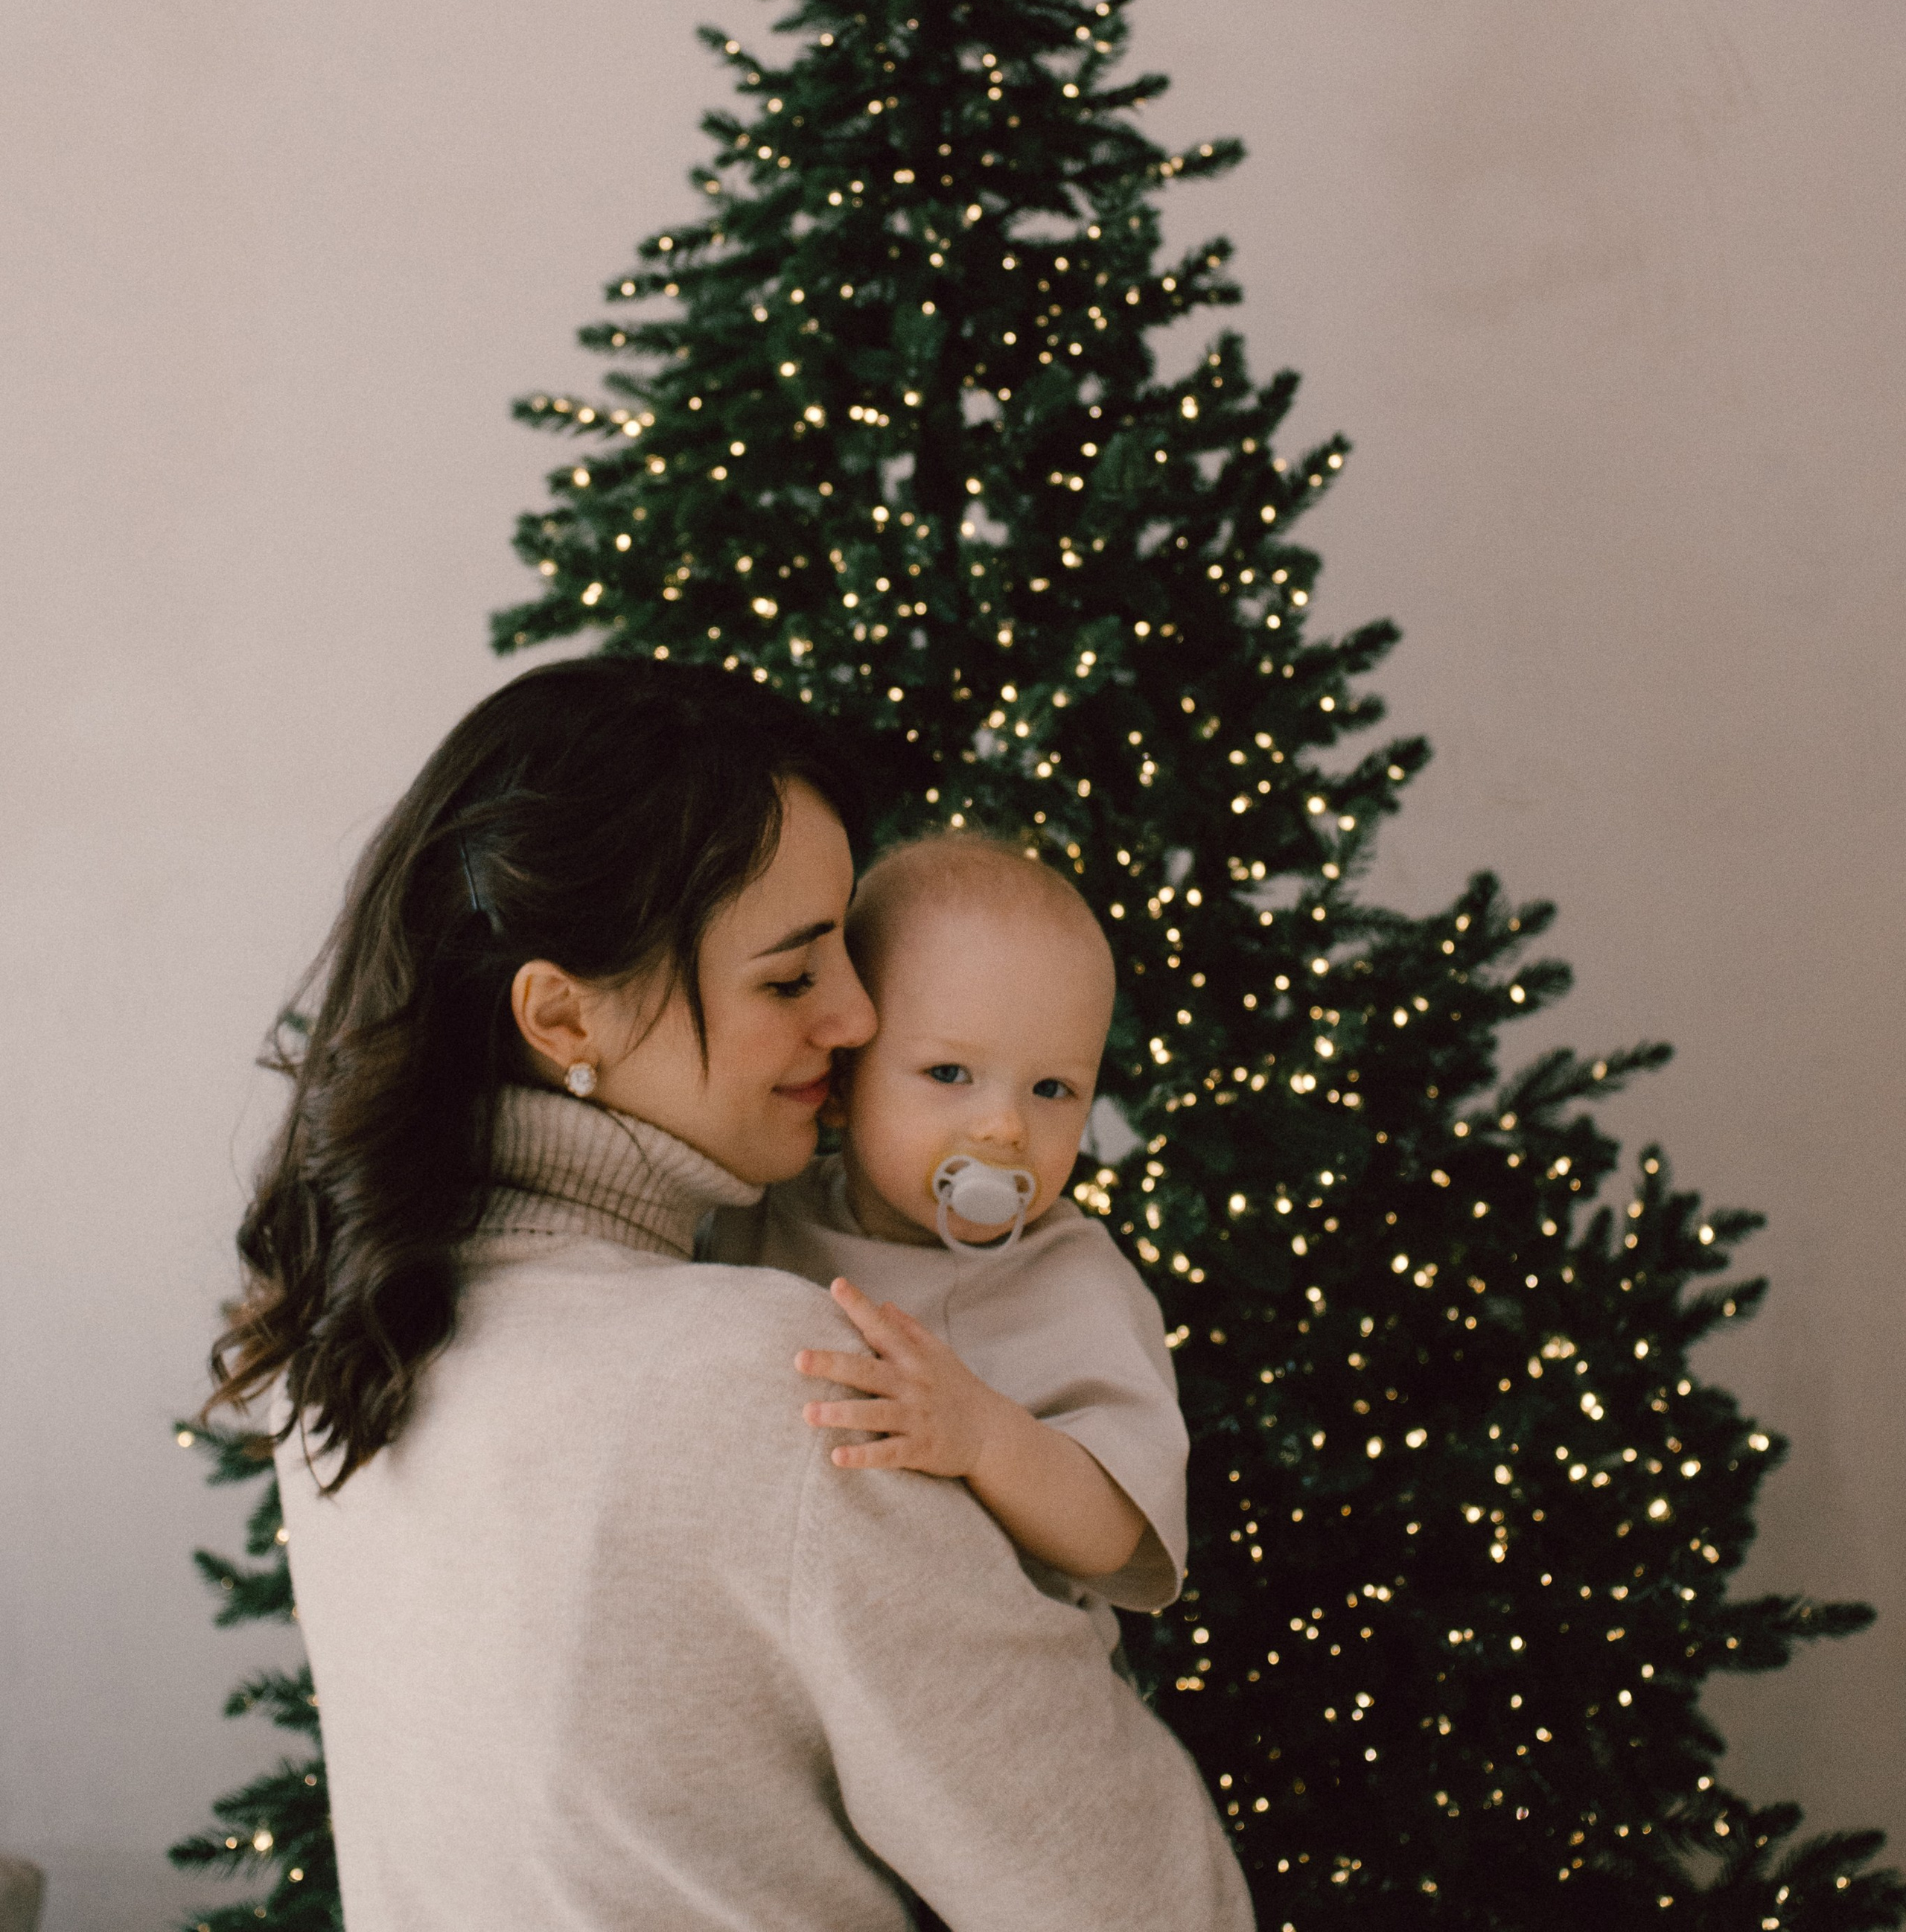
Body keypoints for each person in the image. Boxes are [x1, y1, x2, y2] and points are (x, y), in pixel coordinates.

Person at [211, 657, 1250, 1932]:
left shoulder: (346, 1340)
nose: (860, 1017)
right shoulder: (794, 1379)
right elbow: (1148, 1906)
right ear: (565, 1017)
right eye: (790, 977)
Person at [705, 831, 1185, 1668]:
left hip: (994, 1673)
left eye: (1051, 1090)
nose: (1004, 1126)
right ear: (846, 1082)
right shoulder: (760, 1209)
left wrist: (987, 1440)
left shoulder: (1073, 1285)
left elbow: (1120, 1532)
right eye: (949, 1075)